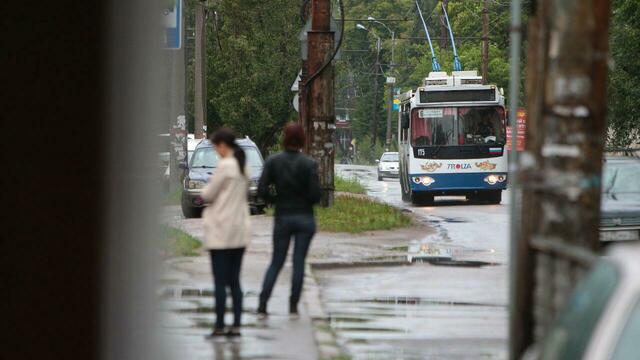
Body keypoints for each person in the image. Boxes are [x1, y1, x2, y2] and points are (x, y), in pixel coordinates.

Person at [257, 123, 321, 316]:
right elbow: (316, 195)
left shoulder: (273, 161)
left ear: (284, 138)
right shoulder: (309, 164)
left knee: (277, 261)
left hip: (283, 216)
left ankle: (263, 303)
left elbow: (261, 190)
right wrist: (305, 200)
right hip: (305, 217)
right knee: (299, 261)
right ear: (302, 139)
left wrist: (275, 201)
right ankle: (293, 305)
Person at [201, 129, 251, 338]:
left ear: (222, 145)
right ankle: (237, 325)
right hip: (239, 230)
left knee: (220, 281)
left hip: (221, 230)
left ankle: (220, 325)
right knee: (234, 281)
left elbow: (207, 194)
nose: (215, 151)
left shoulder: (225, 166)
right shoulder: (243, 167)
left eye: (215, 147)